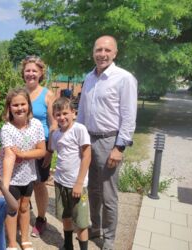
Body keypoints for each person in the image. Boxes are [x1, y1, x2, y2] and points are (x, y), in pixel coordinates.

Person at [77, 35, 137, 250]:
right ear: (93, 52)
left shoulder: (124, 78)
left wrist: (119, 147)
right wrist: (79, 139)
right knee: (92, 189)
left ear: (115, 53)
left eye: (107, 50)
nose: (102, 54)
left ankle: (109, 239)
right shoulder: (89, 77)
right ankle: (95, 227)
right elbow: (82, 112)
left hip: (109, 141)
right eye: (98, 50)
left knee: (108, 194)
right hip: (88, 139)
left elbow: (129, 116)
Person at [0, 87, 46, 250]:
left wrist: (25, 154)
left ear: (29, 105)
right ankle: (12, 241)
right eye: (15, 105)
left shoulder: (37, 125)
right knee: (12, 209)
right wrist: (4, 186)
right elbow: (9, 156)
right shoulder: (7, 129)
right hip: (11, 176)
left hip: (29, 174)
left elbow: (41, 150)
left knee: (25, 207)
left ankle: (24, 238)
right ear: (9, 108)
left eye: (23, 104)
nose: (19, 108)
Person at [21, 56, 56, 237]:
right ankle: (24, 213)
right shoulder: (20, 93)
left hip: (41, 148)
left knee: (39, 184)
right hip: (22, 147)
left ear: (41, 73)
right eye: (28, 70)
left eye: (34, 70)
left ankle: (41, 218)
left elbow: (53, 124)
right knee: (22, 182)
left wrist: (50, 150)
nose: (31, 74)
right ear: (23, 73)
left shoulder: (48, 95)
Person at [50, 97, 91, 250]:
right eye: (58, 114)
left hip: (77, 185)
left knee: (81, 223)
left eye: (65, 113)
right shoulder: (56, 134)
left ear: (74, 113)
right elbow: (54, 152)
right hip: (60, 182)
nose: (62, 117)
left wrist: (79, 183)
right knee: (65, 216)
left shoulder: (79, 129)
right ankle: (68, 245)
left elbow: (87, 155)